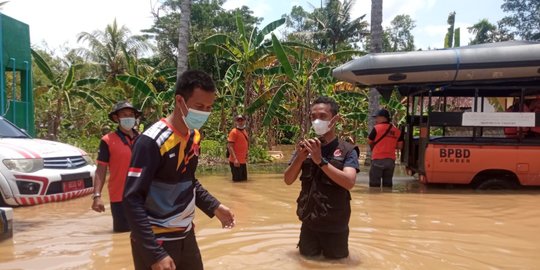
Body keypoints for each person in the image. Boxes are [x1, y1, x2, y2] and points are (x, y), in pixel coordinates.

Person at [123, 70, 235, 270]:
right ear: (179, 101)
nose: (204, 113)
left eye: (209, 108)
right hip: (155, 239)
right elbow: (132, 199)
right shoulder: (151, 141)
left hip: (185, 234)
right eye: (199, 106)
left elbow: (188, 180)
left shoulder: (194, 137)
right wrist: (154, 253)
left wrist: (214, 206)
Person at [284, 96, 359, 259]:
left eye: (323, 116)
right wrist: (300, 158)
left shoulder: (347, 150)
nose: (317, 121)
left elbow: (349, 182)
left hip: (335, 226)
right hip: (309, 224)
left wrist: (320, 161)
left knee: (337, 265)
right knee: (306, 263)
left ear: (335, 119)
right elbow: (288, 179)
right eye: (313, 117)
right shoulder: (306, 147)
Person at [91, 100, 141, 232]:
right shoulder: (107, 140)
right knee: (121, 235)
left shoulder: (143, 139)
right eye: (124, 114)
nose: (128, 118)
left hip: (143, 196)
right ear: (116, 118)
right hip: (119, 197)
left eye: (131, 114)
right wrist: (97, 196)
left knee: (144, 236)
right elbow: (101, 169)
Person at [367, 109, 403, 188]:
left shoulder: (377, 128)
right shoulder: (397, 131)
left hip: (377, 159)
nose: (376, 119)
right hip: (390, 161)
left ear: (383, 118)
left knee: (374, 186)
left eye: (377, 117)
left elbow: (369, 141)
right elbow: (400, 146)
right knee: (388, 185)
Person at [227, 115, 249, 181]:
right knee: (237, 181)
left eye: (241, 120)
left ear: (245, 121)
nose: (240, 122)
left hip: (243, 161)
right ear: (236, 122)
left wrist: (247, 154)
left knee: (244, 181)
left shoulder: (244, 131)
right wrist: (235, 159)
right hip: (236, 161)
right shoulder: (234, 132)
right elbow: (230, 146)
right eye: (238, 120)